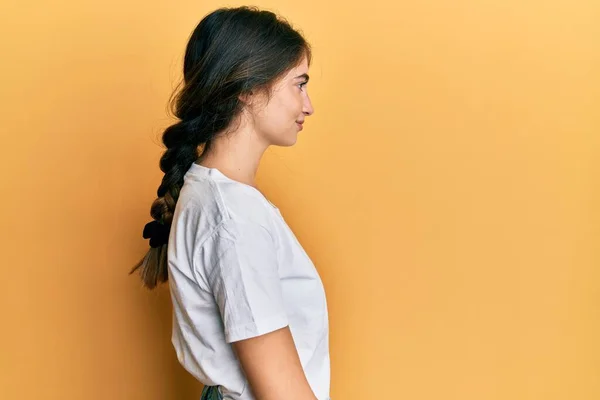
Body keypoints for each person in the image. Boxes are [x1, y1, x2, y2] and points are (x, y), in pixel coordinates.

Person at [130, 6, 331, 400]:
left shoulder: (210, 196)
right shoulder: (234, 217)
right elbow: (282, 393)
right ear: (249, 87)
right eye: (299, 84)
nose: (308, 106)